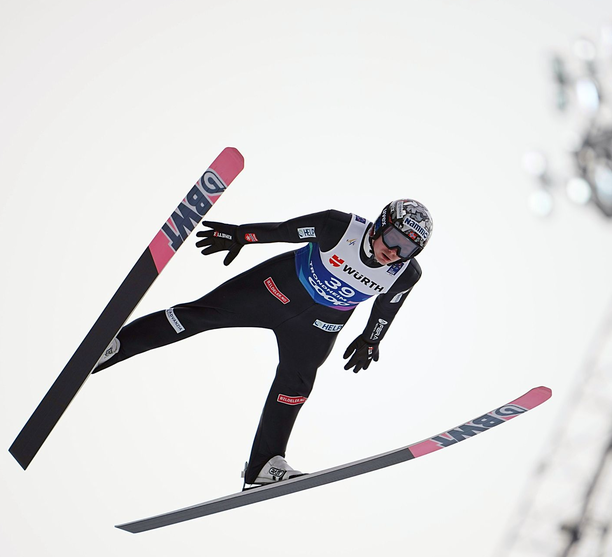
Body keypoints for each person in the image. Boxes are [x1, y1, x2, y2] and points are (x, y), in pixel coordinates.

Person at [92, 199, 433, 488]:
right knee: (197, 316)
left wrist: (371, 340)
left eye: (407, 249)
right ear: (379, 225)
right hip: (272, 290)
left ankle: (264, 467)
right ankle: (115, 346)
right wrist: (241, 235)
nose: (394, 252)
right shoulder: (338, 227)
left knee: (296, 385)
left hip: (318, 326)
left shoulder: (405, 273)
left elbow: (388, 307)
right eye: (393, 238)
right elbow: (283, 231)